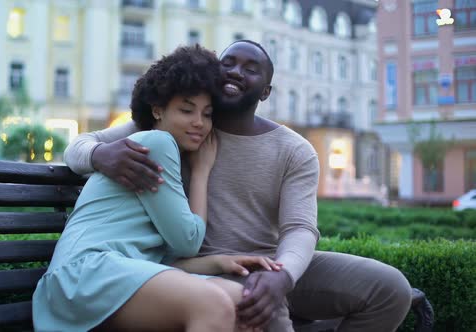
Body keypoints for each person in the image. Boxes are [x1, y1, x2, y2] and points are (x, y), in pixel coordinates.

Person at [63, 40, 413, 332]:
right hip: (198, 269)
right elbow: (78, 146)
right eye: (227, 63)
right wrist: (100, 154)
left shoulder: (294, 150)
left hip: (271, 263)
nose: (235, 72)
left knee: (389, 288)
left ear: (266, 91)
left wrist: (285, 275)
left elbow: (301, 229)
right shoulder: (180, 126)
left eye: (250, 68)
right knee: (260, 306)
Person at [33, 45, 281, 332]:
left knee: (242, 303)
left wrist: (219, 262)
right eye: (187, 110)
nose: (199, 123)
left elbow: (156, 259)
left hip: (118, 274)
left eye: (207, 114)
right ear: (157, 110)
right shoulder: (156, 143)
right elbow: (187, 241)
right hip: (82, 276)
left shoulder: (169, 147)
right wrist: (201, 173)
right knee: (211, 303)